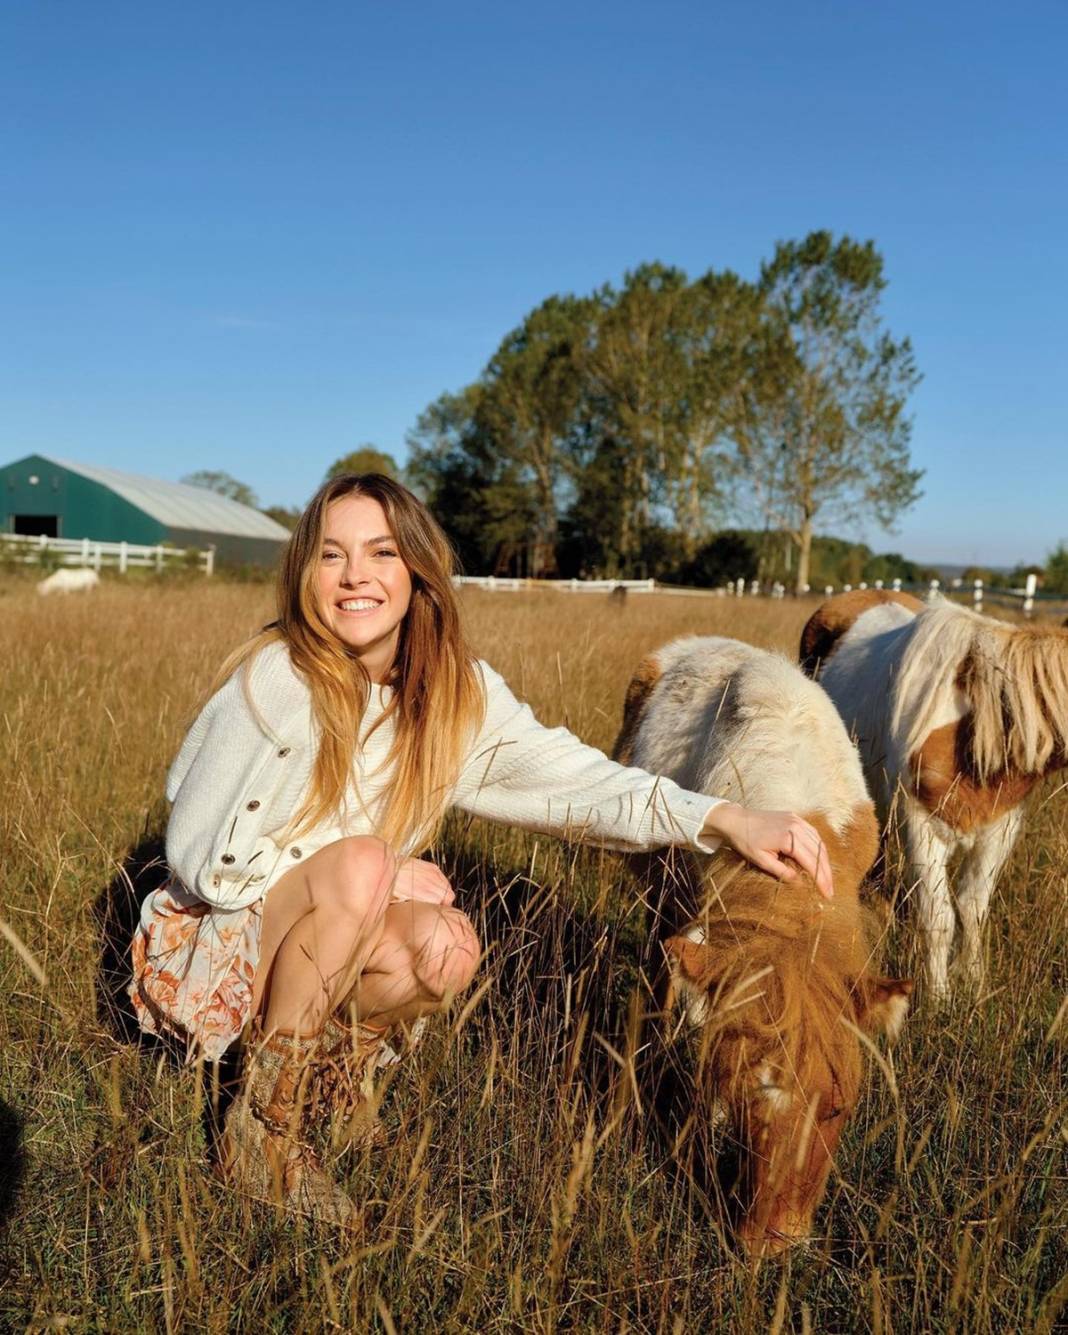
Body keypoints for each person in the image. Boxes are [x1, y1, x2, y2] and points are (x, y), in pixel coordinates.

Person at [129, 473, 833, 1226]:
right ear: (305, 573)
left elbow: (579, 781)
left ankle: (327, 1082)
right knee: (366, 867)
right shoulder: (279, 676)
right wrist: (381, 866)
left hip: (326, 919)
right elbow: (206, 860)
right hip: (215, 943)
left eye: (381, 553)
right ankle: (262, 1132)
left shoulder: (453, 692)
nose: (356, 575)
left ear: (418, 573)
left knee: (447, 948)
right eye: (332, 555)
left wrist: (720, 818)